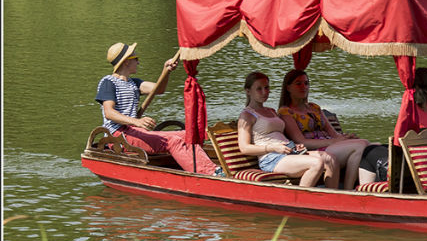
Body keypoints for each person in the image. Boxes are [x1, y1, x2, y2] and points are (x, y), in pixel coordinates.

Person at [95, 41, 219, 175]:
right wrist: (136, 121)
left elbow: (159, 89)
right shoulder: (108, 82)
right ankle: (208, 173)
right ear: (126, 62)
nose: (138, 62)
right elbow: (109, 113)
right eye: (135, 58)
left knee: (188, 135)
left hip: (134, 131)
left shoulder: (134, 83)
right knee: (173, 141)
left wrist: (166, 70)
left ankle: (212, 168)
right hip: (118, 137)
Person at [358, 67, 427, 186]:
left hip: (414, 165)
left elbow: (399, 137)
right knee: (378, 146)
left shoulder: (411, 105)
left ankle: (364, 193)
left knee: (368, 151)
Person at [237, 71, 338, 188]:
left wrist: (295, 145)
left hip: (289, 152)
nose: (264, 92)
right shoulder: (247, 115)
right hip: (271, 158)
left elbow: (279, 136)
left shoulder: (271, 111)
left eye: (267, 87)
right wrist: (273, 147)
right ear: (248, 91)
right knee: (316, 163)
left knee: (331, 159)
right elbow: (244, 148)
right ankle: (300, 201)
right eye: (259, 89)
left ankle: (333, 198)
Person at [278, 69, 370, 190]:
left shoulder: (314, 107)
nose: (303, 87)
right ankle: (348, 190)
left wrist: (345, 138)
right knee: (361, 145)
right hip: (315, 150)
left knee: (370, 145)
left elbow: (333, 133)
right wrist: (333, 142)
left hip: (330, 145)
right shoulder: (286, 112)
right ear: (288, 87)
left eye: (306, 83)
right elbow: (301, 141)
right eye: (298, 83)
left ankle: (365, 187)